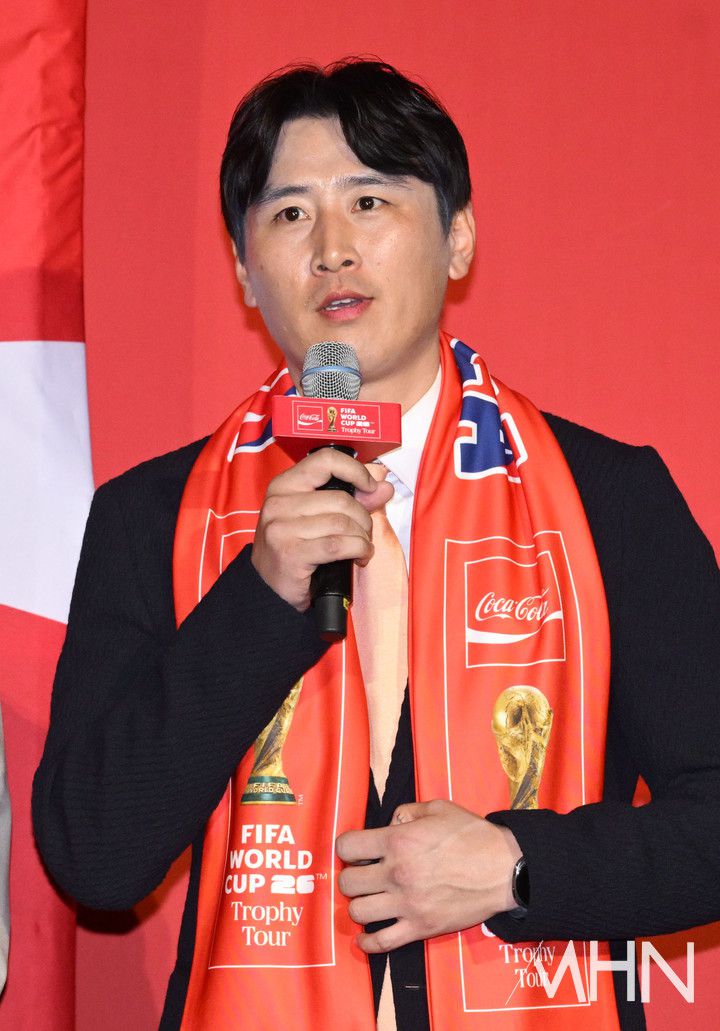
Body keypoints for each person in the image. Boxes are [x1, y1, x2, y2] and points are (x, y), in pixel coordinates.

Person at [33, 59, 719, 1031]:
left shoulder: (607, 497)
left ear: (458, 236)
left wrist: (521, 865)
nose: (332, 250)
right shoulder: (156, 515)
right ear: (243, 268)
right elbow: (94, 855)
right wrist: (260, 596)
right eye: (290, 214)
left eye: (369, 201)